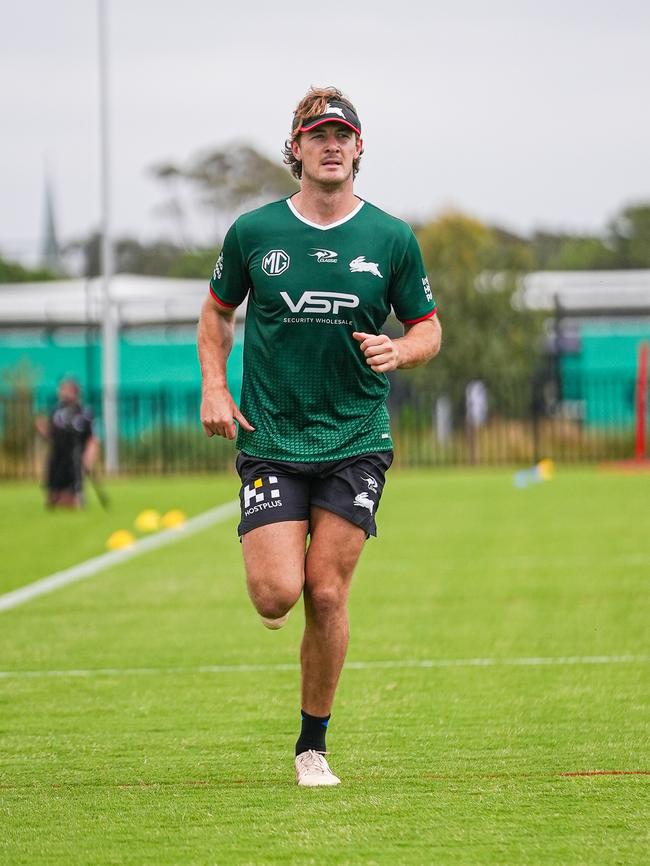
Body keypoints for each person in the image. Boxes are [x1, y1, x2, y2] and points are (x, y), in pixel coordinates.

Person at [197, 86, 442, 787]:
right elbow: (214, 315)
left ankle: (313, 747)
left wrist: (405, 350)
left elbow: (428, 326)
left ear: (359, 148)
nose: (331, 144)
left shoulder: (390, 237)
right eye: (317, 134)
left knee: (327, 594)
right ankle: (274, 544)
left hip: (356, 437)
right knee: (278, 595)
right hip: (272, 435)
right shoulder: (254, 233)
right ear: (296, 149)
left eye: (343, 134)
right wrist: (216, 386)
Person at [36, 378, 99, 508]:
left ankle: (73, 498)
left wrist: (89, 456)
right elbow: (51, 435)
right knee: (52, 499)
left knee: (73, 500)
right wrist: (43, 430)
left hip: (74, 457)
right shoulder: (57, 411)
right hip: (57, 456)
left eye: (65, 389)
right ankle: (60, 498)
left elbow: (92, 438)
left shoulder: (84, 412)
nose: (61, 393)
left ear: (74, 391)